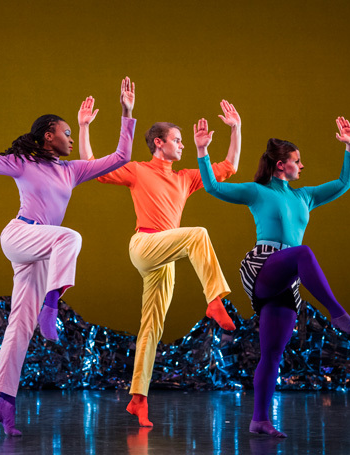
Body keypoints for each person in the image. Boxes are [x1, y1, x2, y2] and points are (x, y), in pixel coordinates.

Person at [0, 77, 137, 436]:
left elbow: (121, 157)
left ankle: (4, 402)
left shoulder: (72, 170)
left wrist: (126, 113)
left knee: (20, 325)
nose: (69, 138)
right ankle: (53, 304)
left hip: (43, 251)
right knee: (71, 236)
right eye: (66, 132)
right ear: (48, 135)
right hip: (21, 234)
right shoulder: (22, 163)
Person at [196, 116, 350, 438]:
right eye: (296, 161)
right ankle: (338, 313)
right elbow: (213, 187)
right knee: (304, 253)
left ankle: (260, 419)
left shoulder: (305, 197)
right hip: (264, 264)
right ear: (279, 165)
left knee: (272, 353)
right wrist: (203, 152)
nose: (301, 166)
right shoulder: (257, 191)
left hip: (290, 279)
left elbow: (344, 183)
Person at [79, 99, 242, 427]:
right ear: (159, 142)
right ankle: (214, 300)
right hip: (144, 243)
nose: (182, 144)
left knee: (151, 327)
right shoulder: (138, 169)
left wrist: (235, 129)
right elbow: (94, 168)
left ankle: (138, 398)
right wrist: (84, 127)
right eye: (177, 140)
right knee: (197, 234)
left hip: (165, 256)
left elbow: (229, 166)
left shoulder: (185, 177)